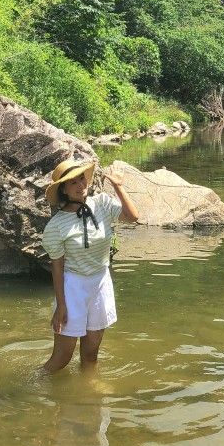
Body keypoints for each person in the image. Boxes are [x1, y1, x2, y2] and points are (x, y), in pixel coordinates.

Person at [40, 157, 138, 373]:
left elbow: (132, 216)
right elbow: (57, 267)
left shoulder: (102, 203)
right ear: (63, 189)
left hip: (101, 281)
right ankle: (33, 386)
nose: (80, 185)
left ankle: (90, 395)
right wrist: (61, 305)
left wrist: (118, 186)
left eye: (82, 179)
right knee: (62, 358)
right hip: (73, 286)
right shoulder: (56, 226)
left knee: (91, 354)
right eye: (72, 182)